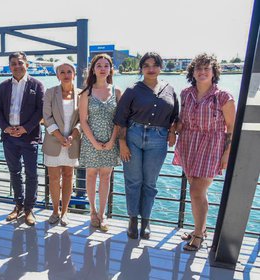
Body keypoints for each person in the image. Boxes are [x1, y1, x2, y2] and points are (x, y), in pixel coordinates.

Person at [173, 53, 235, 251]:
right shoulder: (185, 93)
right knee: (198, 191)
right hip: (189, 143)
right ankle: (200, 228)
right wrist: (172, 130)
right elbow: (182, 120)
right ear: (193, 72)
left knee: (196, 190)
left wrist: (227, 153)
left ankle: (199, 235)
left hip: (212, 145)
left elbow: (232, 127)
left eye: (207, 68)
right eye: (198, 68)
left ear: (214, 71)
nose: (202, 72)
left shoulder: (224, 96)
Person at [114, 52, 179, 239]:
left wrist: (173, 132)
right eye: (146, 65)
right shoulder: (133, 89)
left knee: (150, 183)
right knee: (133, 181)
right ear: (141, 68)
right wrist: (122, 143)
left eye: (155, 65)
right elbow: (121, 119)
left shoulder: (169, 89)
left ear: (160, 67)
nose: (151, 69)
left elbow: (175, 116)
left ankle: (146, 221)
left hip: (158, 139)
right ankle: (133, 219)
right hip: (133, 137)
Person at [0, 51, 45, 226]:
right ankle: (18, 205)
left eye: (20, 63)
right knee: (14, 172)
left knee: (31, 174)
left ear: (27, 65)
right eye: (13, 63)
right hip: (9, 138)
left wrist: (25, 128)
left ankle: (29, 209)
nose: (17, 66)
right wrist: (5, 127)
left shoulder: (37, 85)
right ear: (10, 66)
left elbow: (40, 110)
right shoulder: (3, 86)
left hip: (29, 137)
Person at [79, 54, 122, 232]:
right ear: (93, 69)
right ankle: (92, 212)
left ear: (111, 69)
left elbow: (120, 119)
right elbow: (83, 120)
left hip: (111, 140)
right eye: (99, 65)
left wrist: (112, 140)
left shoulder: (117, 92)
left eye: (106, 65)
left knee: (105, 177)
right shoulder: (86, 93)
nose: (102, 68)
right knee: (90, 176)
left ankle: (102, 214)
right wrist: (94, 142)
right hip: (91, 141)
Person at [42, 61, 81, 226]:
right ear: (57, 75)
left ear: (74, 74)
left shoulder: (81, 94)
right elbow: (47, 117)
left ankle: (65, 212)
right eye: (62, 72)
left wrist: (73, 135)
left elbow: (83, 119)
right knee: (54, 178)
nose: (66, 75)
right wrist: (59, 136)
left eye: (69, 71)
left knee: (68, 177)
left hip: (72, 143)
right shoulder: (50, 93)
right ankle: (55, 211)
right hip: (53, 142)